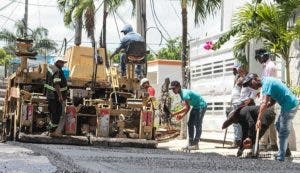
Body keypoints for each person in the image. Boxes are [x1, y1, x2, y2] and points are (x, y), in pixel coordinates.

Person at [243, 73, 299, 161]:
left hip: (289, 105)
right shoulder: (267, 81)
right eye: (249, 86)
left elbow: (265, 102)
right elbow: (272, 100)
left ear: (255, 78)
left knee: (282, 128)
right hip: (288, 104)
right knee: (279, 126)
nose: (251, 86)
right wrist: (264, 108)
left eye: (250, 83)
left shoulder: (266, 84)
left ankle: (282, 155)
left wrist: (259, 119)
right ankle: (285, 151)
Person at [169, 80, 207, 150]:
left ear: (179, 87)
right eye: (172, 89)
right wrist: (178, 114)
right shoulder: (180, 93)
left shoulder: (184, 94)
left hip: (201, 106)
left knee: (198, 124)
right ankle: (190, 143)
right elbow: (187, 107)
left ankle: (195, 144)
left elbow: (187, 108)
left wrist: (178, 114)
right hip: (195, 106)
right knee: (190, 124)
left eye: (174, 88)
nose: (173, 90)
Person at [255, 48, 278, 151]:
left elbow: (268, 84)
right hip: (267, 96)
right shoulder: (266, 66)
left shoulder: (269, 67)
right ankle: (273, 144)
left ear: (263, 56)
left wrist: (265, 100)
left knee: (265, 119)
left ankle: (264, 143)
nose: (258, 61)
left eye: (258, 58)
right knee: (271, 121)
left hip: (269, 98)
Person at [45, 56, 68, 137]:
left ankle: (51, 130)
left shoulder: (52, 69)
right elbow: (57, 84)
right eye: (61, 62)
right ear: (57, 62)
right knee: (56, 114)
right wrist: (60, 96)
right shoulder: (57, 71)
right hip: (55, 97)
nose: (63, 64)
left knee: (54, 114)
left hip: (51, 96)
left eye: (63, 62)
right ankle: (52, 131)